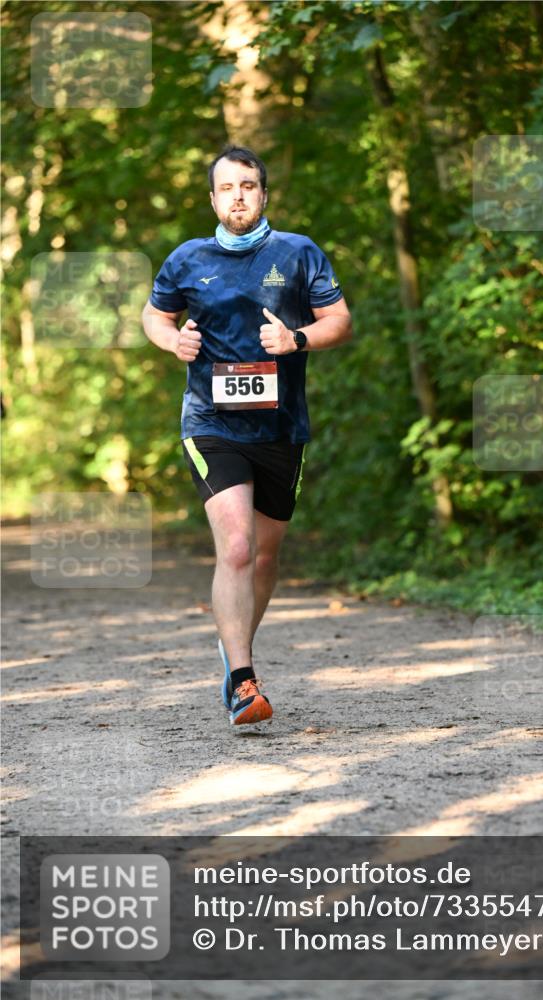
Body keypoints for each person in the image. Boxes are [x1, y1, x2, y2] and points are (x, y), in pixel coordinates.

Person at [142, 144, 352, 727]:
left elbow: (339, 320)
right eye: (228, 187)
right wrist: (171, 341)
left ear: (264, 194)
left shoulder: (299, 253)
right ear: (212, 198)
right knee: (235, 547)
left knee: (264, 556)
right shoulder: (187, 259)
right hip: (210, 422)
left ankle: (234, 646)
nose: (239, 196)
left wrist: (298, 340)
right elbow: (153, 316)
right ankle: (242, 678)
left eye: (249, 186)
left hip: (282, 427)